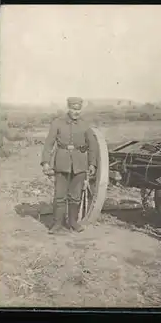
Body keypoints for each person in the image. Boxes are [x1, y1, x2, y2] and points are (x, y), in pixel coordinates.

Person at [40, 97, 97, 234]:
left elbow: (93, 146)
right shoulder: (57, 123)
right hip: (62, 163)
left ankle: (73, 222)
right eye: (73, 108)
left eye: (78, 109)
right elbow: (49, 143)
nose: (76, 112)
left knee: (75, 196)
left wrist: (92, 164)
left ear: (81, 109)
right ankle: (57, 224)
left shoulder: (85, 125)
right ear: (68, 108)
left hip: (80, 164)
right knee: (59, 196)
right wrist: (45, 162)